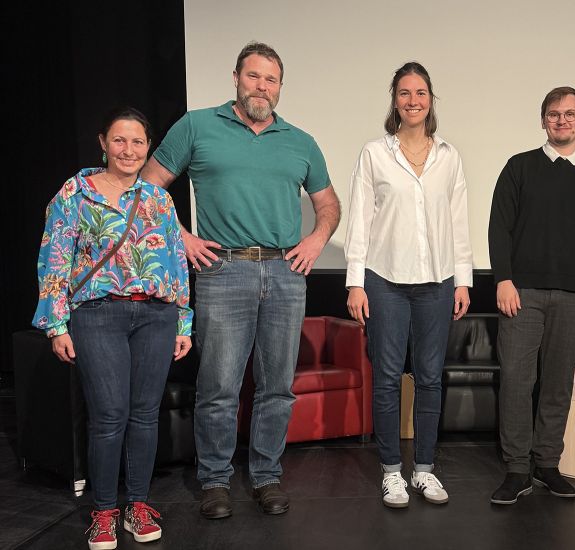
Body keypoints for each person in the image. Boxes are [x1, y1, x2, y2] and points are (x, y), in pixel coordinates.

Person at [141, 42, 341, 519]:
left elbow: (328, 204)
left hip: (285, 273)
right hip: (222, 269)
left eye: (271, 80)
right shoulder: (198, 125)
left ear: (279, 87)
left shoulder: (300, 140)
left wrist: (315, 239)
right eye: (254, 76)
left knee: (277, 387)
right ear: (236, 78)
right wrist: (182, 238)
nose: (262, 87)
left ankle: (267, 477)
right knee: (219, 386)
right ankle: (214, 481)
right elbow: (147, 188)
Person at [32, 107, 192, 549]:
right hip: (97, 314)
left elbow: (176, 263)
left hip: (156, 316)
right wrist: (56, 324)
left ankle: (136, 505)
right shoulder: (74, 194)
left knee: (144, 416)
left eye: (138, 142)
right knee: (108, 416)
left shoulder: (159, 199)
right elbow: (54, 259)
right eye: (120, 141)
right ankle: (103, 512)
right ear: (103, 142)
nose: (129, 150)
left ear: (147, 148)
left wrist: (184, 319)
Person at [344, 61, 473, 509]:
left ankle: (424, 470)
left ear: (431, 100)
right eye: (404, 92)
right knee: (385, 378)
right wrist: (355, 283)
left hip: (438, 282)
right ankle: (391, 472)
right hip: (384, 281)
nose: (413, 100)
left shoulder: (449, 157)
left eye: (420, 93)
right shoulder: (375, 154)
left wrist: (463, 280)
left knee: (431, 378)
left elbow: (458, 223)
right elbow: (359, 219)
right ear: (394, 100)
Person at [487, 86, 575, 505]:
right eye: (554, 114)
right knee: (516, 380)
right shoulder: (519, 168)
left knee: (558, 383)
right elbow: (498, 228)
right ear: (543, 119)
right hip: (521, 293)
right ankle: (515, 469)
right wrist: (503, 280)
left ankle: (547, 464)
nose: (562, 120)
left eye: (570, 114)